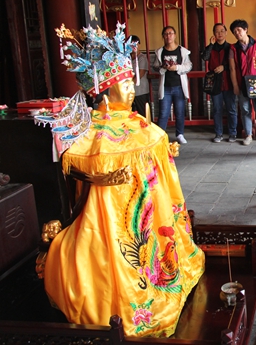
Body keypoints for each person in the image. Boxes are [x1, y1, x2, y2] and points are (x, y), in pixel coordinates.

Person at [39, 23, 204, 337]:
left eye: (131, 82)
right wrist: (104, 177)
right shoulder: (94, 131)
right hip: (104, 217)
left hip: (147, 212)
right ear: (106, 90)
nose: (131, 90)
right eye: (125, 83)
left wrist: (162, 153)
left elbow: (156, 148)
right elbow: (77, 167)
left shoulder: (139, 123)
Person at [228, 19, 256, 146]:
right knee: (245, 109)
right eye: (234, 32)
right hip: (242, 82)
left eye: (239, 30)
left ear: (245, 30)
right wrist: (235, 85)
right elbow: (232, 68)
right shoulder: (233, 48)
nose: (237, 33)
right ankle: (248, 135)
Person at [154, 26, 192, 144]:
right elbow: (155, 66)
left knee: (180, 112)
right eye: (166, 34)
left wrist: (177, 67)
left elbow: (189, 66)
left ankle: (180, 134)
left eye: (170, 33)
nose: (168, 36)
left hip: (179, 86)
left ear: (175, 35)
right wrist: (162, 67)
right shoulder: (160, 52)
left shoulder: (182, 51)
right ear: (163, 36)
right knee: (163, 112)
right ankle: (160, 136)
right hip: (165, 87)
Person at [202, 23, 237, 143]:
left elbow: (236, 64)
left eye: (222, 31)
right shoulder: (211, 48)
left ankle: (232, 133)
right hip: (215, 83)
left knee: (231, 109)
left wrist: (224, 67)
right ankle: (218, 133)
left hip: (228, 82)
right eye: (217, 31)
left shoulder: (231, 47)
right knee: (217, 109)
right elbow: (205, 57)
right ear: (214, 34)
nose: (220, 33)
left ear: (226, 33)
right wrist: (211, 45)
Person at [129, 35, 150, 118]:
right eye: (131, 45)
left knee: (143, 114)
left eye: (136, 44)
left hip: (141, 91)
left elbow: (140, 74)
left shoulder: (142, 58)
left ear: (139, 45)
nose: (134, 47)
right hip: (130, 92)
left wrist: (128, 86)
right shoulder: (127, 58)